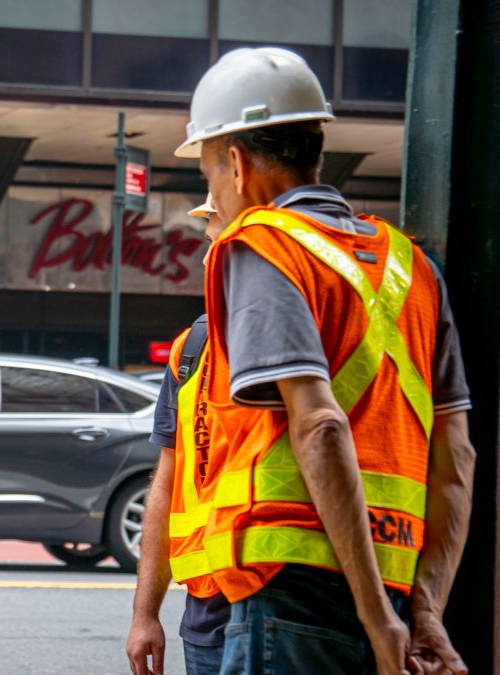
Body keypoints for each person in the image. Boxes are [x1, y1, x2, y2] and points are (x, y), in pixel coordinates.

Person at [178, 48, 474, 674]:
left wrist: (377, 619)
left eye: (207, 174)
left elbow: (320, 424)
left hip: (291, 593)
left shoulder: (260, 246)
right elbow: (456, 456)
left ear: (234, 163)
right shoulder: (412, 265)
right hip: (394, 586)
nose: (213, 196)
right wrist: (419, 615)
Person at [127, 195, 233, 675]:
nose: (208, 258)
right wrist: (145, 615)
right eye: (209, 243)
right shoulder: (191, 349)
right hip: (207, 614)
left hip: (282, 601)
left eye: (219, 239)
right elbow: (167, 483)